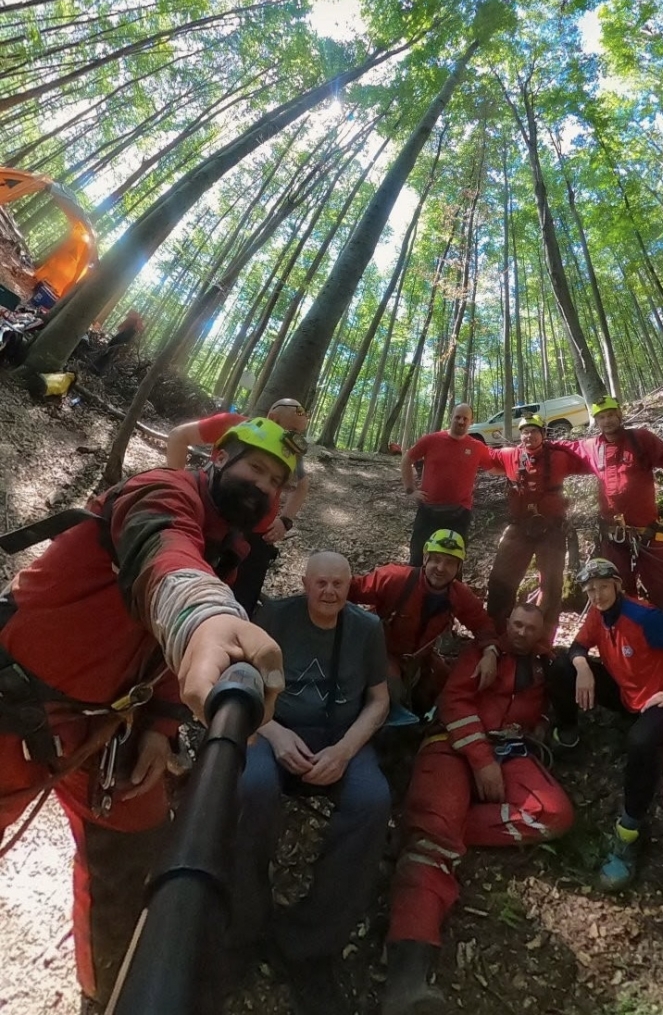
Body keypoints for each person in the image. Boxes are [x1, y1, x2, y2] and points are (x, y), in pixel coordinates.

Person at [0, 417, 295, 1014]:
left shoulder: (228, 548)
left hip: (106, 727)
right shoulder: (163, 491)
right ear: (219, 459)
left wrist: (162, 725)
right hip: (14, 696)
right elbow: (162, 554)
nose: (261, 486)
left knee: (140, 855)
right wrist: (205, 620)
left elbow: (160, 645)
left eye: (274, 482)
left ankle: (108, 993)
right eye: (254, 468)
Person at [382, 603, 573, 1015]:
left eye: (530, 628)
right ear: (507, 624)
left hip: (513, 751)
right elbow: (453, 703)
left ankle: (435, 830)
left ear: (542, 632)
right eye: (516, 624)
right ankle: (407, 982)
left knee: (553, 813)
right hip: (453, 744)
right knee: (428, 849)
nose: (520, 633)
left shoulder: (546, 664)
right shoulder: (482, 652)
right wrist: (482, 758)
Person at [230, 551, 390, 1014]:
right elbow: (242, 681)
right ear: (304, 583)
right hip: (275, 730)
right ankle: (244, 924)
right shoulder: (275, 617)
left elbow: (378, 701)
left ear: (349, 586)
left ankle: (309, 943)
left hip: (339, 737)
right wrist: (274, 733)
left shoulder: (365, 629)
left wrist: (344, 751)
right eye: (320, 583)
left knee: (372, 801)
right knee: (249, 788)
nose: (329, 592)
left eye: (338, 584)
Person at [547, 557, 663, 890]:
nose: (597, 595)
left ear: (616, 585)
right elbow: (578, 646)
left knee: (640, 745)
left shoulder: (642, 616)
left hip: (658, 700)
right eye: (590, 589)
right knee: (560, 668)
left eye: (602, 587)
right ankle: (567, 735)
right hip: (627, 694)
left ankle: (629, 833)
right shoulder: (599, 615)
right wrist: (583, 667)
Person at [166, 397, 311, 614]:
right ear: (272, 418)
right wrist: (179, 487)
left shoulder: (290, 449)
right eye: (291, 429)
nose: (293, 437)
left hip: (255, 538)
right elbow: (180, 436)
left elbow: (302, 485)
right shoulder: (234, 425)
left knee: (240, 602)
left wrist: (285, 520)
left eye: (274, 480)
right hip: (208, 520)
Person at [554, 395, 663, 613]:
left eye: (610, 415)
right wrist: (536, 444)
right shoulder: (592, 446)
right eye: (601, 418)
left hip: (647, 533)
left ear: (619, 415)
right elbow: (565, 447)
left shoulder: (640, 439)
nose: (607, 421)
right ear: (596, 422)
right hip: (612, 536)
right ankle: (627, 639)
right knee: (618, 592)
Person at [349, 530, 498, 715]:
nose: (441, 568)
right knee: (392, 693)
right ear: (425, 558)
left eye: (450, 562)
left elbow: (482, 623)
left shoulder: (459, 596)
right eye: (436, 559)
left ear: (458, 567)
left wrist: (490, 653)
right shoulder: (396, 579)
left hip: (420, 659)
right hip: (382, 652)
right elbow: (352, 589)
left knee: (447, 687)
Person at [484, 413, 591, 637]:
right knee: (500, 580)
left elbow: (590, 458)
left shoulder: (560, 457)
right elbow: (482, 458)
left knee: (551, 586)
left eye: (534, 431)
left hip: (552, 529)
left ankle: (542, 639)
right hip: (519, 528)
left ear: (543, 434)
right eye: (525, 431)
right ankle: (494, 634)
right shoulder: (509, 455)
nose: (529, 435)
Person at [401, 403, 494, 567]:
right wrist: (411, 490)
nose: (461, 421)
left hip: (459, 513)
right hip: (428, 510)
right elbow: (407, 459)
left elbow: (495, 467)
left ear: (471, 421)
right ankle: (415, 589)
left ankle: (449, 592)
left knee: (453, 561)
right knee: (417, 557)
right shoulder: (431, 440)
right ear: (451, 418)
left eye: (465, 418)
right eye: (457, 417)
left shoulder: (477, 447)